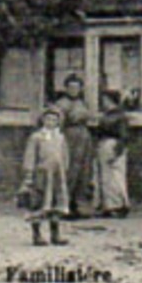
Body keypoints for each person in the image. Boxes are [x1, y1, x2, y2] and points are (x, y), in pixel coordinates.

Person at [18, 105, 71, 246]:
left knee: (56, 203)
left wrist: (64, 170)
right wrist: (29, 173)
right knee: (38, 202)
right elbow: (30, 156)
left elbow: (64, 155)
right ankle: (37, 235)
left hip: (57, 176)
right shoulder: (37, 137)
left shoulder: (60, 137)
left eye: (54, 120)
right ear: (42, 120)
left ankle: (56, 234)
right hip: (41, 174)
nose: (50, 122)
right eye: (48, 119)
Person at [54, 74, 95, 219]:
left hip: (83, 137)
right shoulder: (61, 104)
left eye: (77, 87)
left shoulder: (83, 103)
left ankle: (79, 204)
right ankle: (65, 205)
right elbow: (57, 122)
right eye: (71, 87)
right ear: (66, 88)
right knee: (69, 170)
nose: (74, 90)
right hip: (69, 136)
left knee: (83, 172)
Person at [92, 88, 130, 218]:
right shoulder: (107, 115)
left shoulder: (119, 116)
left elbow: (124, 136)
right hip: (104, 144)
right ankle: (108, 205)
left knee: (115, 176)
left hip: (113, 145)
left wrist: (117, 151)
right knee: (105, 176)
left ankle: (118, 205)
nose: (103, 102)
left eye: (105, 100)